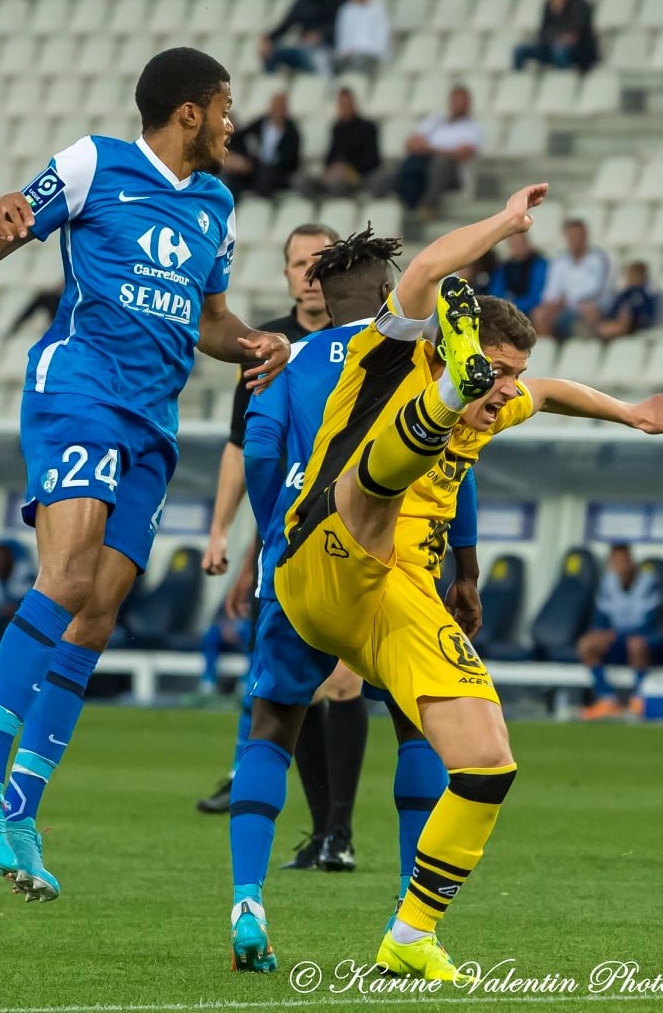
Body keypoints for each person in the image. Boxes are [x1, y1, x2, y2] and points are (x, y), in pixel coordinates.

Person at [270, 184, 663, 978]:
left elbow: (556, 391)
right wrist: (507, 223)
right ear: (451, 346)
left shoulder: (502, 400)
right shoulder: (391, 350)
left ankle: (410, 935)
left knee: (487, 760)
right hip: (321, 557)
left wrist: (633, 413)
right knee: (370, 496)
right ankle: (439, 400)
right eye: (495, 372)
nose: (507, 389)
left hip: (394, 603)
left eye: (506, 375)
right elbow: (433, 263)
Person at [0, 47, 292, 901]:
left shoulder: (216, 204)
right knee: (65, 575)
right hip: (82, 389)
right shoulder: (94, 163)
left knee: (96, 613)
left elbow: (209, 317)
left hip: (153, 420)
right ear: (189, 113)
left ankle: (20, 805)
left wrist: (254, 343)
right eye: (225, 105)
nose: (234, 122)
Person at [227, 229, 482, 969]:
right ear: (383, 297)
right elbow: (456, 461)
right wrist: (464, 569)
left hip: (303, 562)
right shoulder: (415, 352)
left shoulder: (284, 361)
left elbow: (264, 456)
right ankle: (413, 915)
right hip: (399, 565)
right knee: (416, 725)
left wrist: (279, 532)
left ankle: (248, 901)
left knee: (272, 724)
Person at [197, 223, 339, 819]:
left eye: (320, 261)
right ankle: (250, 768)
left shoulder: (366, 341)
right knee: (268, 654)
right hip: (276, 517)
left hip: (347, 520)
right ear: (284, 274)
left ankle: (337, 817)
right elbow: (242, 445)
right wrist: (222, 532)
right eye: (297, 263)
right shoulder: (262, 344)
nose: (308, 274)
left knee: (345, 678)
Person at [577, 544, 663, 719]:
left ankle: (638, 700)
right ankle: (607, 699)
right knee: (586, 644)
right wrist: (602, 632)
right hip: (617, 636)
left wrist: (620, 633)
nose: (620, 565)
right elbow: (601, 617)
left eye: (623, 560)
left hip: (645, 635)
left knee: (637, 644)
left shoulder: (649, 582)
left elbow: (651, 620)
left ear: (631, 561)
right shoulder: (608, 582)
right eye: (615, 561)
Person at [394, 85, 483, 216]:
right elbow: (410, 142)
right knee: (403, 166)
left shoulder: (472, 127)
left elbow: (463, 153)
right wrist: (428, 149)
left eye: (462, 100)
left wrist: (430, 149)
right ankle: (405, 203)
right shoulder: (436, 120)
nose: (458, 103)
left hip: (452, 171)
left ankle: (430, 205)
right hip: (424, 163)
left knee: (441, 163)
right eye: (456, 99)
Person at [261, 0, 348, 77]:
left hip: (330, 48)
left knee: (318, 58)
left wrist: (320, 35)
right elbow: (286, 24)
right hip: (304, 48)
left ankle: (323, 88)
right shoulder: (304, 0)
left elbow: (345, 24)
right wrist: (268, 39)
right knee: (272, 52)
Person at [532, 217, 614, 340]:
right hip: (565, 307)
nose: (575, 240)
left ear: (585, 237)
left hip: (589, 306)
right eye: (572, 236)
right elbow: (551, 293)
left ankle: (588, 347)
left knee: (590, 310)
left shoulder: (598, 259)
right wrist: (555, 303)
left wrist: (568, 300)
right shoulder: (559, 262)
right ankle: (550, 352)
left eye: (578, 236)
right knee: (539, 314)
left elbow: (596, 291)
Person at [513, 0, 597, 72]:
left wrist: (559, 38)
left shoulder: (580, 3)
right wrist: (554, 38)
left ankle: (562, 83)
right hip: (552, 45)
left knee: (560, 50)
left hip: (579, 50)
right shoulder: (549, 2)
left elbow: (575, 33)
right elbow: (543, 31)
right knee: (519, 50)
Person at [302, 89, 384, 198]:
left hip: (357, 175)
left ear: (353, 104)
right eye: (341, 104)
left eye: (347, 104)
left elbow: (372, 160)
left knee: (337, 184)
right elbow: (330, 157)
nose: (344, 108)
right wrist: (332, 168)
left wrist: (347, 169)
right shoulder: (337, 128)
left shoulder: (367, 128)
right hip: (336, 174)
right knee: (304, 181)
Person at [221, 92, 302, 198]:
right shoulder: (259, 124)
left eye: (281, 106)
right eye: (275, 105)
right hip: (254, 169)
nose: (277, 109)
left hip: (277, 172)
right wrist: (240, 159)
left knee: (266, 176)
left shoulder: (292, 132)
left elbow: (291, 160)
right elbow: (238, 138)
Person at [333, 0, 391, 75]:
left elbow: (381, 43)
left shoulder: (377, 10)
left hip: (371, 56)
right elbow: (342, 41)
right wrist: (347, 53)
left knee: (359, 61)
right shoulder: (345, 11)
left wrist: (361, 51)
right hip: (349, 57)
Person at [595, 261, 662, 339]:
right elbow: (613, 311)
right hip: (618, 322)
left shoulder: (647, 293)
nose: (629, 277)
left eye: (633, 274)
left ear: (642, 275)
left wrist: (631, 317)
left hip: (636, 325)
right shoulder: (624, 294)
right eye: (628, 274)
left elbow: (649, 314)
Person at [486, 232, 547, 317]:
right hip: (507, 310)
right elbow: (495, 294)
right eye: (513, 244)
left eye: (519, 243)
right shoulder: (503, 268)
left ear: (527, 243)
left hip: (528, 310)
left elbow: (537, 296)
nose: (517, 247)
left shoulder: (538, 264)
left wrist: (514, 306)